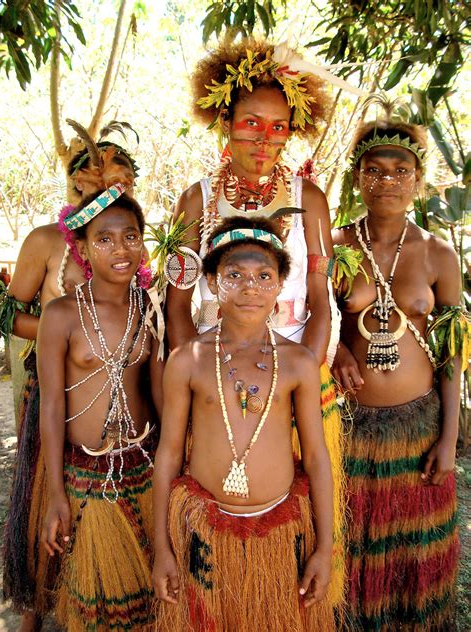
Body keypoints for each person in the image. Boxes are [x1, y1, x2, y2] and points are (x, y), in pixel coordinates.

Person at [165, 39, 346, 604]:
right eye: (250, 123)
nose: (264, 140)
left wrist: (306, 379)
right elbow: (177, 308)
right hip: (212, 379)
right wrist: (201, 387)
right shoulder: (197, 200)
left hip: (295, 375)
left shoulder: (308, 199)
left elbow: (319, 298)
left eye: (278, 127)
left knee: (290, 516)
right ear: (225, 122)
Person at [153, 216, 336, 631]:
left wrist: (324, 548)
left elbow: (316, 458)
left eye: (263, 276)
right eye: (234, 274)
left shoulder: (300, 362)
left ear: (279, 287)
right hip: (204, 531)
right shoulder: (188, 359)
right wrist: (162, 547)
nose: (250, 287)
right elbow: (168, 455)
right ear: (214, 283)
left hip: (279, 532)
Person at [0, 128, 143, 632]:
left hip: (121, 413)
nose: (104, 188)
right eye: (87, 181)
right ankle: (38, 608)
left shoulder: (129, 247)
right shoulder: (45, 241)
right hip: (55, 388)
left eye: (118, 181)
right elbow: (7, 313)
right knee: (45, 495)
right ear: (72, 184)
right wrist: (66, 332)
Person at [332, 113, 465, 630]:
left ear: (417, 180)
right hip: (350, 427)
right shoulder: (337, 245)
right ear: (357, 176)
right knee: (356, 545)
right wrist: (337, 350)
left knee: (415, 550)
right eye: (374, 169)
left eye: (399, 170)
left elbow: (452, 354)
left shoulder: (438, 254)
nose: (386, 180)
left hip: (418, 426)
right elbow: (309, 325)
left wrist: (449, 439)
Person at [39, 188, 163, 630]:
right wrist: (56, 493)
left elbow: (160, 394)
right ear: (84, 249)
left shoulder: (151, 308)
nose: (121, 249)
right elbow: (51, 406)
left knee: (149, 594)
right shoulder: (60, 315)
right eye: (105, 239)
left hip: (141, 465)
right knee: (95, 600)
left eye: (131, 236)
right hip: (83, 474)